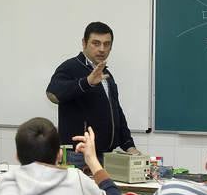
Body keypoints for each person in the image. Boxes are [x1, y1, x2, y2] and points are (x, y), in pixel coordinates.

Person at [46, 21, 140, 162]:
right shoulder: (70, 67)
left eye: (107, 44)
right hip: (77, 155)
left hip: (105, 155)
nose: (102, 49)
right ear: (84, 43)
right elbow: (53, 94)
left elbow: (116, 113)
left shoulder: (106, 74)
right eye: (96, 43)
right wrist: (87, 82)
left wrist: (129, 146)